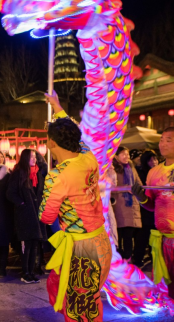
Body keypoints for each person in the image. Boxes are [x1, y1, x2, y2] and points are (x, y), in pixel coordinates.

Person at [39, 91, 112, 321]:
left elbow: (46, 216)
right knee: (80, 297)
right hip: (101, 241)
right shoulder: (88, 158)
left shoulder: (57, 175)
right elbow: (75, 134)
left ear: (50, 142)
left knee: (80, 309)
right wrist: (57, 107)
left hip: (82, 252)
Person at [131, 127, 174, 299]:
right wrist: (140, 197)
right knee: (167, 283)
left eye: (168, 140)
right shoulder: (153, 172)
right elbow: (151, 205)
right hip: (162, 238)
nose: (162, 143)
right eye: (161, 139)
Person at [7, 149, 47, 283]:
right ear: (25, 158)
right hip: (25, 214)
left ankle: (31, 271)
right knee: (26, 245)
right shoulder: (19, 173)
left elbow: (41, 192)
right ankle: (25, 272)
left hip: (37, 214)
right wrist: (22, 203)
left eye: (35, 157)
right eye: (31, 157)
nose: (34, 159)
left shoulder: (39, 174)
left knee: (35, 244)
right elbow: (10, 193)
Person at [111, 146, 142, 261]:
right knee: (118, 235)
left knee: (129, 236)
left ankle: (127, 259)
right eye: (123, 154)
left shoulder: (131, 167)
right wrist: (125, 188)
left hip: (131, 205)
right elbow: (110, 186)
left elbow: (138, 182)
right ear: (116, 156)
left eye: (128, 154)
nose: (127, 157)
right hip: (117, 205)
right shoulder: (112, 167)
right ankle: (119, 258)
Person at [133, 150, 158, 266]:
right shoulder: (141, 173)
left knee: (155, 238)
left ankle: (155, 259)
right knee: (143, 237)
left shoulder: (161, 173)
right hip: (145, 210)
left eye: (155, 159)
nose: (154, 162)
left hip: (157, 211)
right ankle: (138, 260)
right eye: (150, 160)